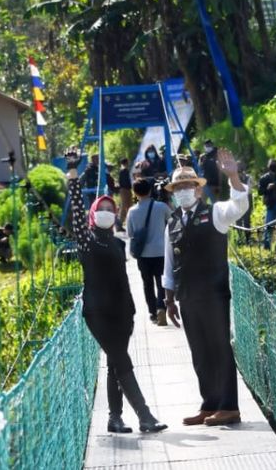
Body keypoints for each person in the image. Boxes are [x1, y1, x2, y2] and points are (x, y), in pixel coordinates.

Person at [66, 148, 167, 434]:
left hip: (123, 314)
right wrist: (73, 172)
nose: (108, 212)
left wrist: (133, 312)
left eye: (111, 209)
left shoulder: (118, 244)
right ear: (93, 214)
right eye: (102, 209)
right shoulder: (87, 242)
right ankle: (145, 416)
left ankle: (114, 418)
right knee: (122, 361)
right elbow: (75, 209)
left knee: (115, 363)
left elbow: (123, 280)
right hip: (98, 314)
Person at [162, 148, 249, 427]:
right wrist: (169, 297)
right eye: (179, 187)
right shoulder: (172, 221)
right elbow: (168, 262)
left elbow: (239, 207)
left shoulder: (216, 213)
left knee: (219, 347)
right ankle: (209, 403)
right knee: (199, 351)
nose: (184, 191)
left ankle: (228, 406)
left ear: (198, 190)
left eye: (188, 186)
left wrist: (233, 177)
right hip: (187, 296)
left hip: (213, 294)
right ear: (174, 192)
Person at [127, 178, 172, 325]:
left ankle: (152, 313)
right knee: (161, 282)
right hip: (161, 251)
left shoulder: (132, 211)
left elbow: (130, 233)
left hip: (143, 254)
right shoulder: (161, 207)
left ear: (135, 192)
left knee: (147, 284)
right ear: (150, 190)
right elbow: (173, 221)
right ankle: (161, 307)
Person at [235, 161, 254, 243]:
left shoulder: (248, 177)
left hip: (246, 200)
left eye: (240, 168)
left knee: (247, 220)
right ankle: (240, 238)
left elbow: (249, 190)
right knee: (238, 220)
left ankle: (248, 238)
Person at [117, 158, 132, 232]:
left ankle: (127, 223)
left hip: (124, 190)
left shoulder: (122, 170)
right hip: (125, 190)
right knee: (124, 207)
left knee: (127, 207)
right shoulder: (124, 170)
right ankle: (119, 224)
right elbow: (125, 182)